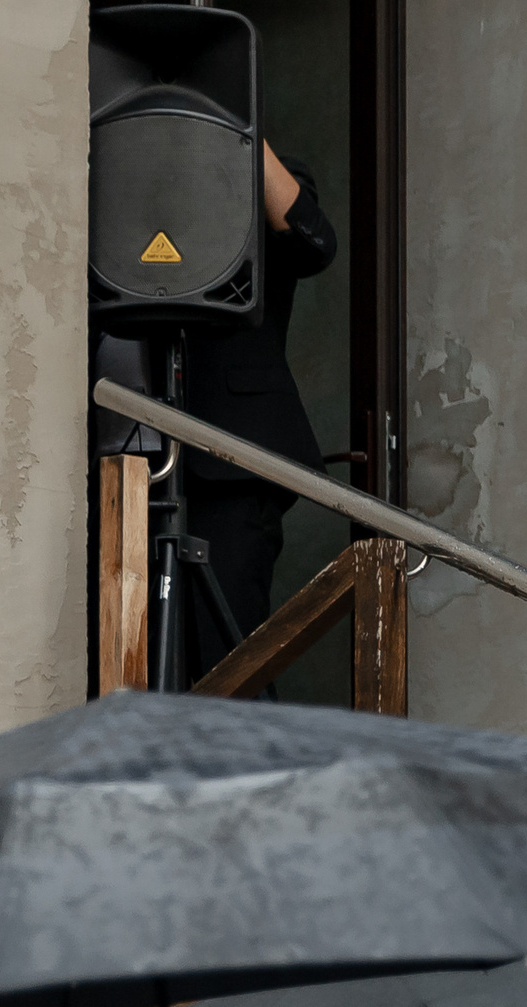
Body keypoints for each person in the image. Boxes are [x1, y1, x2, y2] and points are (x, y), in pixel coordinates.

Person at [177, 143, 338, 676]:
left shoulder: (269, 163)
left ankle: (248, 763)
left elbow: (312, 242)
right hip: (129, 442)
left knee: (227, 658)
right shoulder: (130, 155)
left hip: (233, 455)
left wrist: (238, 119)